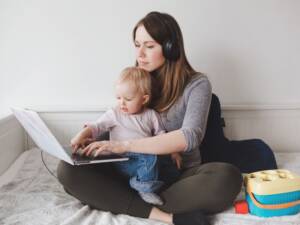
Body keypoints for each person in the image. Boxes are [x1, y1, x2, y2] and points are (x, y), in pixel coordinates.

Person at [57, 11, 243, 225]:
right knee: (68, 170)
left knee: (227, 177)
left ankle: (118, 200)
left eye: (149, 46)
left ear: (170, 48)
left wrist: (124, 145)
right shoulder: (134, 80)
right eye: (137, 45)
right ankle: (163, 215)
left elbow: (190, 136)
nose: (140, 54)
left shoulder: (197, 84)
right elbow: (115, 121)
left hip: (174, 177)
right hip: (126, 171)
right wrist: (92, 140)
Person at [70, 66, 182, 205]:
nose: (121, 103)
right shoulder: (115, 113)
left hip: (144, 161)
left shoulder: (151, 115)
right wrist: (81, 135)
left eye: (128, 99)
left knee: (173, 171)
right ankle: (145, 188)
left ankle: (137, 182)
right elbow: (97, 126)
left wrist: (174, 152)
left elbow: (162, 137)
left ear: (144, 99)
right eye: (118, 98)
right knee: (150, 155)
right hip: (124, 160)